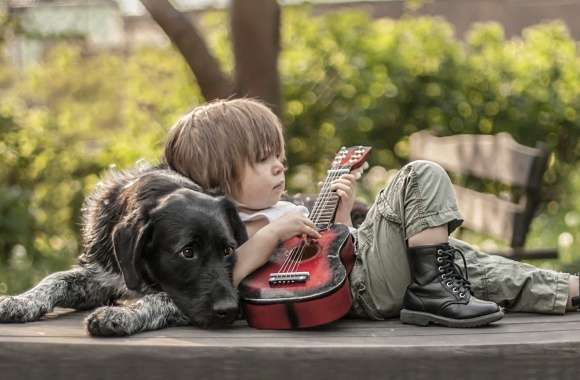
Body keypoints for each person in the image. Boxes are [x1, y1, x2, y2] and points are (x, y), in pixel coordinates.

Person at [163, 98, 580, 328]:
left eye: (280, 156)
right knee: (419, 176)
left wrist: (342, 220)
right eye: (262, 159)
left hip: (354, 281)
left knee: (463, 261)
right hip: (359, 289)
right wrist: (272, 235)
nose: (279, 166)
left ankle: (566, 290)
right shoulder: (225, 226)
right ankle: (432, 292)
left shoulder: (280, 208)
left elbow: (330, 257)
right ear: (217, 177)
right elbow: (221, 281)